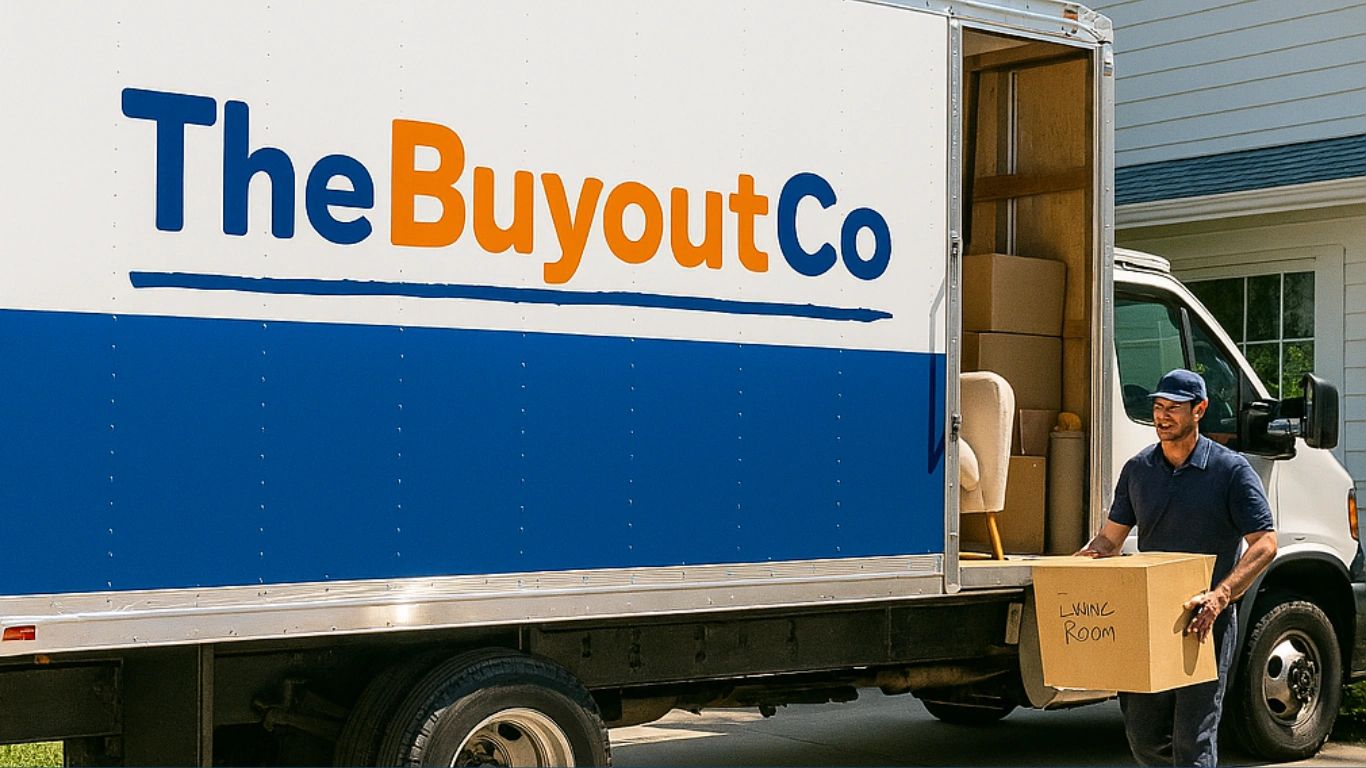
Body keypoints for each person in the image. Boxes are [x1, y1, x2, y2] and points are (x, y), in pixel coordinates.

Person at [1077, 368, 1277, 767]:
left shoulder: (1231, 471)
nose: (1162, 416)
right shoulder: (1139, 470)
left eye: (1173, 408)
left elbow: (1266, 544)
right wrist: (1079, 564)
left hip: (1205, 621)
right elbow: (1109, 540)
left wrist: (1222, 595)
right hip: (1150, 620)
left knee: (1193, 741)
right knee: (1144, 737)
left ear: (1199, 410)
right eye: (1158, 406)